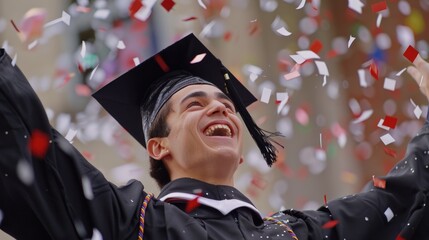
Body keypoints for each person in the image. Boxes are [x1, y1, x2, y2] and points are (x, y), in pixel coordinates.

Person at [0, 33, 429, 240]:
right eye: (194, 104)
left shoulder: (296, 235)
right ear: (159, 146)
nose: (221, 107)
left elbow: (403, 200)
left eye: (225, 103)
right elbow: (42, 162)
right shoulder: (136, 225)